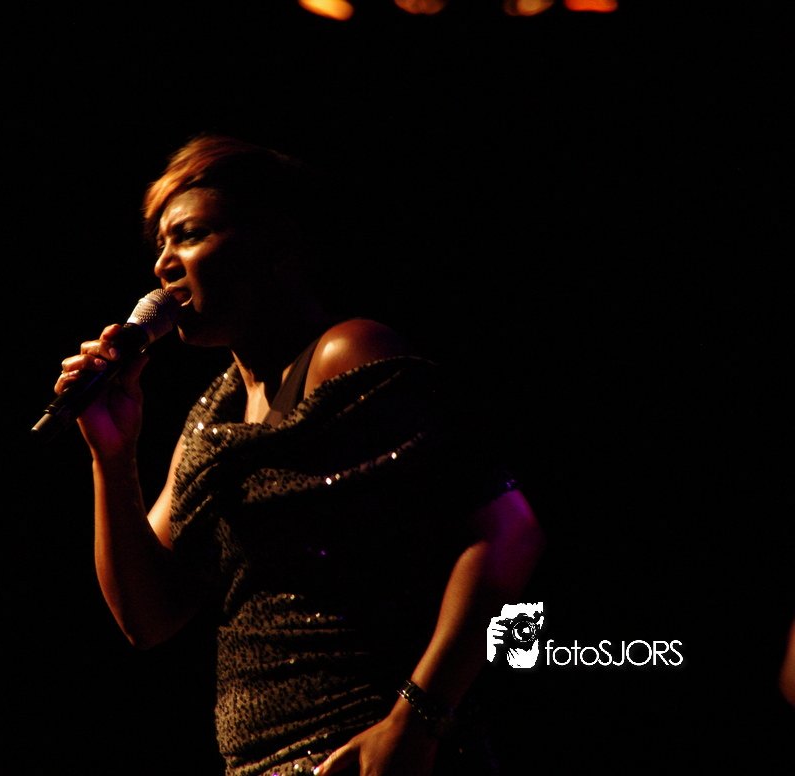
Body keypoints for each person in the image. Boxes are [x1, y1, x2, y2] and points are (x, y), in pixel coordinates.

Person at [53, 135, 545, 776]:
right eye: (160, 246)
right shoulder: (215, 415)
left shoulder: (349, 354)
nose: (163, 264)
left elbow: (512, 536)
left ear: (278, 246)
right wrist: (112, 455)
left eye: (190, 236)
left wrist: (416, 721)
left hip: (372, 752)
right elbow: (146, 619)